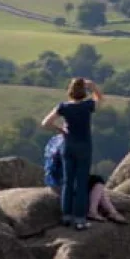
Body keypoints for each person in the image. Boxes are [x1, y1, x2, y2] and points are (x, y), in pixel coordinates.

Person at [42, 77, 102, 231]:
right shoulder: (88, 106)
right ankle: (80, 219)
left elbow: (45, 123)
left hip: (67, 146)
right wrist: (93, 87)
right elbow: (100, 99)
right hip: (84, 147)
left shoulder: (63, 107)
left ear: (70, 91)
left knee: (68, 182)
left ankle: (66, 216)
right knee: (81, 183)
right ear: (83, 92)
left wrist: (61, 130)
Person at [43, 135, 126, 224]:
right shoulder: (70, 145)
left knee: (98, 185)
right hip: (64, 182)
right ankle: (93, 211)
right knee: (98, 181)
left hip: (53, 180)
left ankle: (112, 212)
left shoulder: (56, 140)